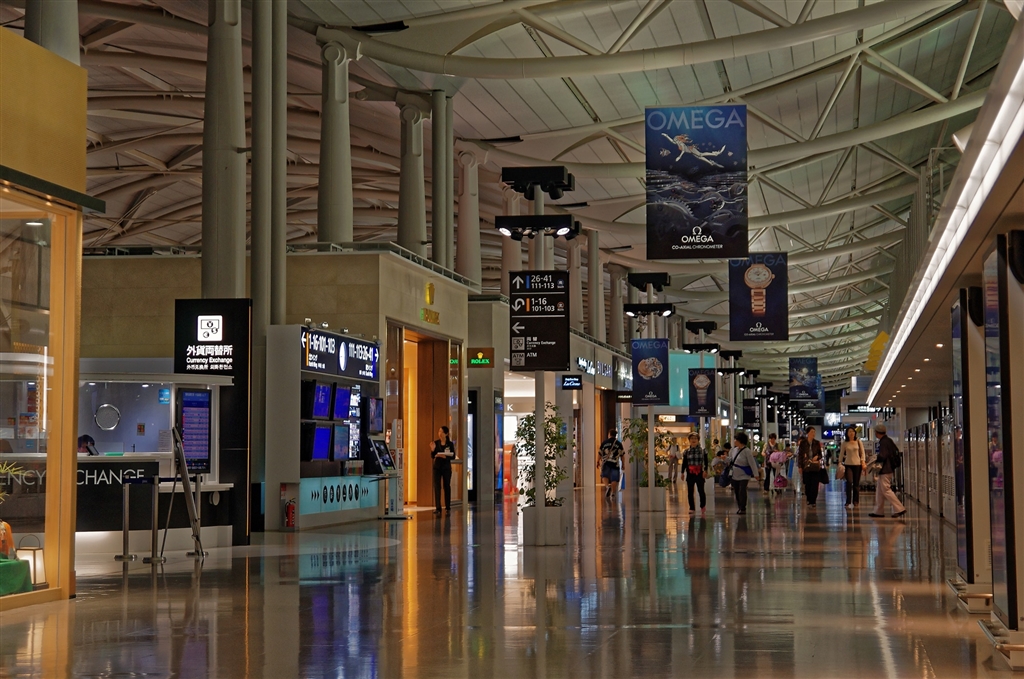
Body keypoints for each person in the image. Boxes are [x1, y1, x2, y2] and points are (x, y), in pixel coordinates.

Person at [869, 424, 907, 518]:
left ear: (877, 433)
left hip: (885, 469)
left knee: (886, 490)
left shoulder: (884, 442)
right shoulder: (888, 440)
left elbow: (883, 455)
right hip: (888, 468)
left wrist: (875, 459)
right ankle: (878, 511)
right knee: (880, 490)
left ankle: (900, 508)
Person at [727, 432, 759, 515]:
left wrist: (756, 474)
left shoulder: (747, 451)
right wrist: (724, 459)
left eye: (736, 439)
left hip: (744, 475)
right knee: (737, 491)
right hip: (734, 474)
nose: (734, 441)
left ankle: (743, 507)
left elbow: (752, 463)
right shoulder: (733, 450)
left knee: (742, 490)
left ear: (740, 441)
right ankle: (739, 506)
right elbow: (730, 460)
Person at [839, 426, 867, 509]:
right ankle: (848, 501)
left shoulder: (858, 441)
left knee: (856, 484)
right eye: (849, 431)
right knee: (849, 482)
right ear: (847, 433)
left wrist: (863, 461)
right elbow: (841, 453)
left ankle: (855, 501)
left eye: (853, 431)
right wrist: (839, 462)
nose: (851, 433)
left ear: (855, 433)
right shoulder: (845, 443)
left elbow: (862, 452)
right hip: (848, 464)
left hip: (857, 464)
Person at [430, 426, 456, 514]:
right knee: (437, 487)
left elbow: (453, 456)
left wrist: (445, 457)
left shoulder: (450, 444)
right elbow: (432, 456)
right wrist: (432, 450)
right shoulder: (436, 443)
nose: (440, 434)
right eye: (439, 431)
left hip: (446, 468)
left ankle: (448, 507)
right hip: (437, 467)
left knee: (447, 486)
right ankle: (438, 508)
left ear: (446, 434)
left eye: (442, 432)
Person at [798, 426, 825, 507]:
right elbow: (800, 455)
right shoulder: (803, 443)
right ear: (808, 433)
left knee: (815, 483)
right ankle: (809, 499)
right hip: (806, 466)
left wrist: (817, 457)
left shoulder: (817, 443)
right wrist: (800, 466)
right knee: (807, 483)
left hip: (815, 466)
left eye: (814, 432)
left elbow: (820, 455)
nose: (813, 433)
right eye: (812, 432)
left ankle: (813, 501)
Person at [682, 432, 707, 513]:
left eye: (695, 438)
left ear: (698, 440)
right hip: (690, 473)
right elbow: (684, 463)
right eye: (692, 438)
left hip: (699, 473)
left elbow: (706, 462)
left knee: (701, 490)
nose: (693, 440)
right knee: (690, 491)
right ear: (689, 440)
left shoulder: (702, 451)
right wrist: (682, 472)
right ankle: (692, 507)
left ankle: (702, 505)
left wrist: (705, 470)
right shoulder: (686, 451)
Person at [598, 429, 624, 498]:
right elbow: (622, 455)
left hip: (606, 463)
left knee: (604, 476)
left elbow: (600, 453)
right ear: (615, 435)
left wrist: (597, 461)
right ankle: (613, 493)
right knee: (614, 479)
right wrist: (623, 464)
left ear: (609, 434)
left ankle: (607, 487)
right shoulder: (619, 444)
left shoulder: (604, 443)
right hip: (615, 463)